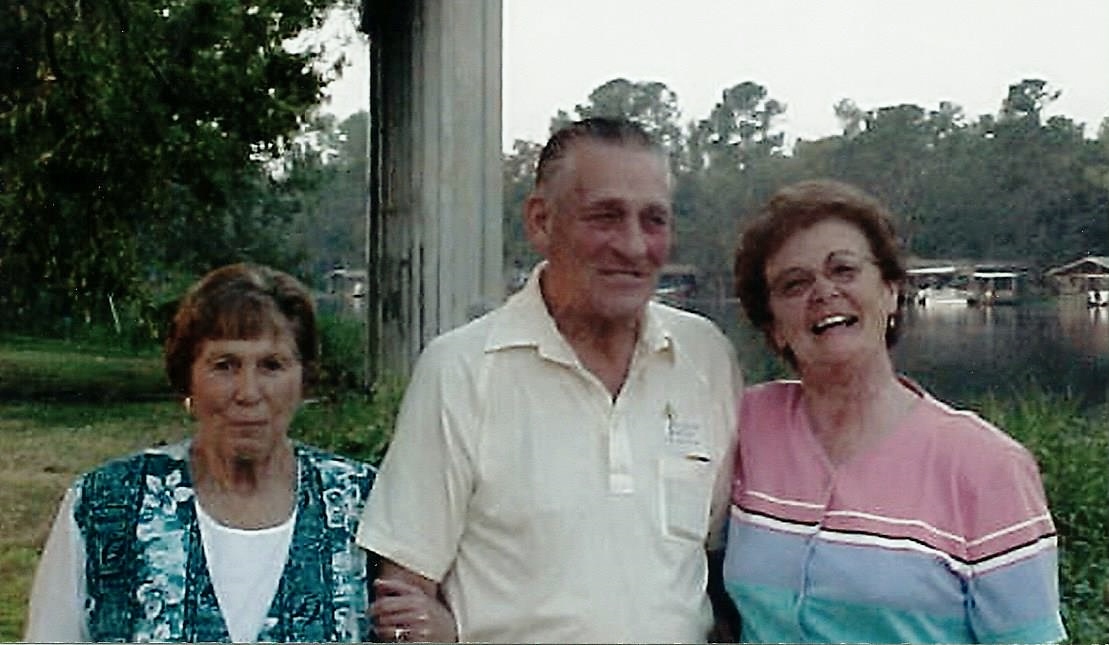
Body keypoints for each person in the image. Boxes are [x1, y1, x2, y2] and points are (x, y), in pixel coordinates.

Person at [358, 117, 741, 643]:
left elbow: (721, 563)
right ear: (541, 221)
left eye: (654, 220)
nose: (634, 246)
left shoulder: (705, 356)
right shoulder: (462, 370)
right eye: (606, 216)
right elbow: (405, 590)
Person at [724, 179, 1066, 643]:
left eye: (843, 270)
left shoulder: (986, 467)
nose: (823, 292)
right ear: (774, 327)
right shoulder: (744, 424)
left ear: (890, 291)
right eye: (794, 284)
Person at [24, 263, 376, 642]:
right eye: (225, 366)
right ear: (186, 376)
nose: (248, 392)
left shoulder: (361, 505)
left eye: (271, 366)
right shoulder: (105, 505)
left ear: (304, 379)